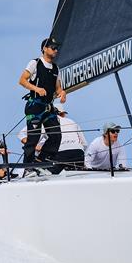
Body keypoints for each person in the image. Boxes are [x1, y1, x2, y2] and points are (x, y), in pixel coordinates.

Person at [18, 37, 66, 170]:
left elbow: (58, 88)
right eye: (53, 47)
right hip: (35, 106)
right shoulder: (35, 63)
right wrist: (36, 89)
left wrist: (62, 93)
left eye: (57, 48)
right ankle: (28, 168)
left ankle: (40, 162)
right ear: (45, 48)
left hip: (49, 107)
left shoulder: (56, 68)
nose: (56, 50)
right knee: (33, 139)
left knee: (56, 136)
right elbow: (22, 80)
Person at [53, 105, 87, 170]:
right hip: (78, 152)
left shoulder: (48, 124)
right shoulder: (72, 121)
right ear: (61, 114)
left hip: (61, 153)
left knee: (56, 177)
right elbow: (85, 144)